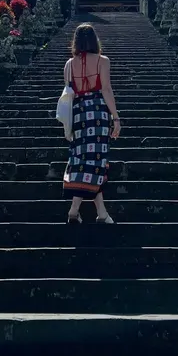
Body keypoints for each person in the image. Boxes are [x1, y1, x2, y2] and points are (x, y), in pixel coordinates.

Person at [63, 23, 121, 224]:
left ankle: (99, 213)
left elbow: (69, 94)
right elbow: (106, 89)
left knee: (82, 159)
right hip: (97, 114)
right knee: (96, 161)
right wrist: (116, 118)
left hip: (78, 114)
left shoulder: (69, 65)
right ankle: (77, 210)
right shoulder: (102, 61)